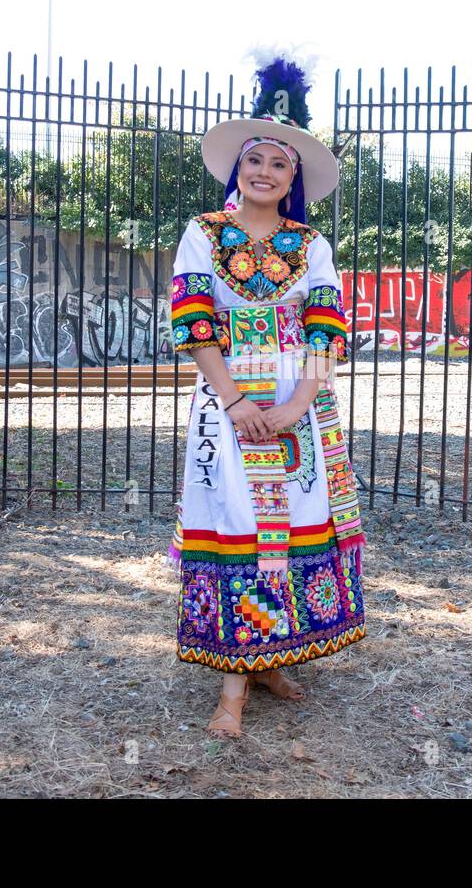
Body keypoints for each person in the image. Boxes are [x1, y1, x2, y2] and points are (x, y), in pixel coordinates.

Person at [166, 56, 366, 739]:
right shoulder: (204, 234)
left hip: (297, 406)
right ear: (238, 169)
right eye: (255, 159)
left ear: (293, 179)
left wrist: (296, 406)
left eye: (280, 164)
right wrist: (235, 402)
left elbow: (324, 330)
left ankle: (272, 660)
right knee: (243, 527)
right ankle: (232, 690)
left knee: (292, 529)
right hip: (227, 404)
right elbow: (192, 323)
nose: (265, 172)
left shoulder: (311, 245)